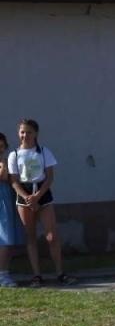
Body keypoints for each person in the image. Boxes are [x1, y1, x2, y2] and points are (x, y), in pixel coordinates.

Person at [9, 119, 68, 286]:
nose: (25, 135)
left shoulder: (44, 152)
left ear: (35, 134)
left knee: (52, 236)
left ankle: (60, 272)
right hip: (24, 196)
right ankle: (37, 275)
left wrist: (38, 196)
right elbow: (14, 181)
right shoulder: (14, 154)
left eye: (28, 132)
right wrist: (27, 197)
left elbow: (50, 177)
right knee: (30, 236)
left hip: (42, 194)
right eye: (22, 132)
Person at [0, 127, 19, 287]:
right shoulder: (4, 162)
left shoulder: (7, 160)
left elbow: (8, 177)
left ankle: (3, 273)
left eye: (1, 146)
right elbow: (3, 176)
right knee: (4, 238)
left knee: (7, 238)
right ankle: (2, 274)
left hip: (5, 200)